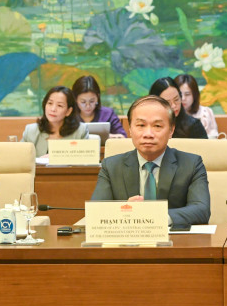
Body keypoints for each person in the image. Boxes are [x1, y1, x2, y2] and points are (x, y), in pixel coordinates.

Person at [90, 95, 211, 226]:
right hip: (128, 242)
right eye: (141, 125)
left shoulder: (191, 164)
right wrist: (125, 212)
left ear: (171, 130)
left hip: (174, 242)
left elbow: (201, 210)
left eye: (157, 126)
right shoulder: (111, 166)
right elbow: (96, 211)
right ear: (130, 129)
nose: (148, 134)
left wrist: (156, 217)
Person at [22, 86, 89, 156]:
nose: (53, 109)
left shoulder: (80, 131)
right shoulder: (31, 131)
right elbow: (21, 159)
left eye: (59, 105)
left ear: (68, 111)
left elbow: (86, 162)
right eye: (50, 103)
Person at [175, 73, 219, 138]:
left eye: (187, 94)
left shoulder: (205, 113)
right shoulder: (170, 113)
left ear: (195, 94)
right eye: (180, 95)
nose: (183, 98)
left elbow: (213, 138)